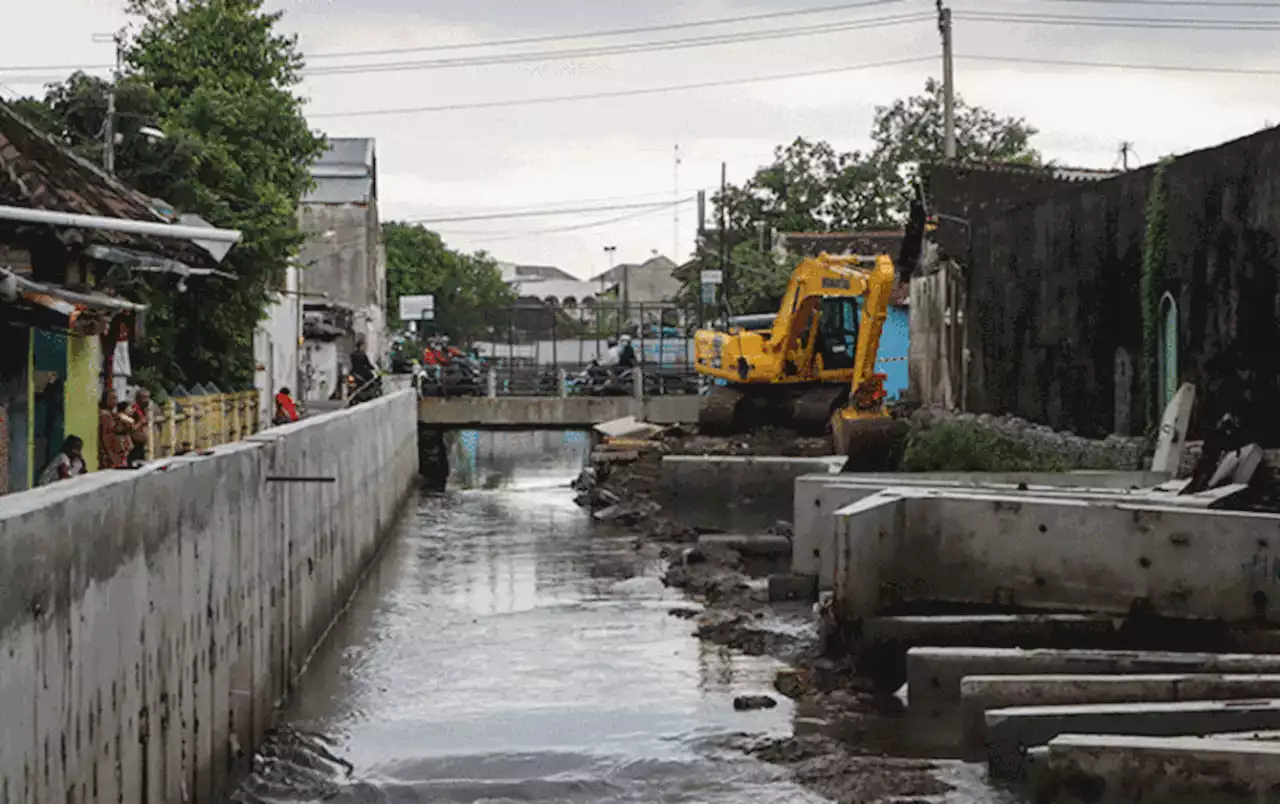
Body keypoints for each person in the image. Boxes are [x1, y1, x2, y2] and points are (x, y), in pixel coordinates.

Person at [99, 393, 131, 469]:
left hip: (118, 452)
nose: (116, 401)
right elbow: (106, 437)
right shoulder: (104, 416)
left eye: (116, 398)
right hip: (111, 454)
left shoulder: (114, 415)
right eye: (113, 398)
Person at [127, 388, 150, 464]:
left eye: (148, 397)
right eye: (144, 398)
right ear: (138, 398)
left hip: (140, 444)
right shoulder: (133, 410)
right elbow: (130, 427)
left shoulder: (143, 409)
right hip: (134, 444)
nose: (147, 400)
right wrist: (141, 422)